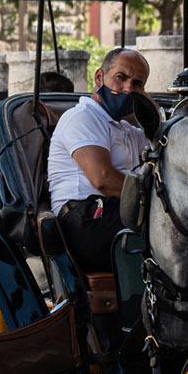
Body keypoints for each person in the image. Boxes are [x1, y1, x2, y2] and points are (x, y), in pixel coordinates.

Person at [46, 46, 153, 269]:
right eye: (121, 78)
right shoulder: (82, 117)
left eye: (137, 84)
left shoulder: (127, 130)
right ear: (99, 77)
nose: (127, 89)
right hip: (83, 217)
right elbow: (103, 179)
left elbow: (161, 142)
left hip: (118, 210)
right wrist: (156, 195)